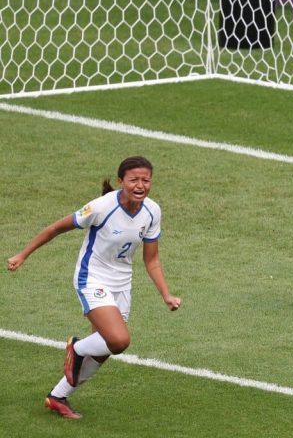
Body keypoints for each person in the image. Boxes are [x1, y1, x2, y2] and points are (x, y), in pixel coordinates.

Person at [6, 156, 182, 419]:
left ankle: (57, 396)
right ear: (121, 181)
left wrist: (166, 294)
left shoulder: (152, 211)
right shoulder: (101, 207)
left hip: (122, 283)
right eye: (134, 179)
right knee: (119, 340)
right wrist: (23, 255)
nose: (140, 185)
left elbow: (151, 258)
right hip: (92, 278)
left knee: (103, 351)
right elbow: (56, 228)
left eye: (146, 180)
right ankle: (75, 348)